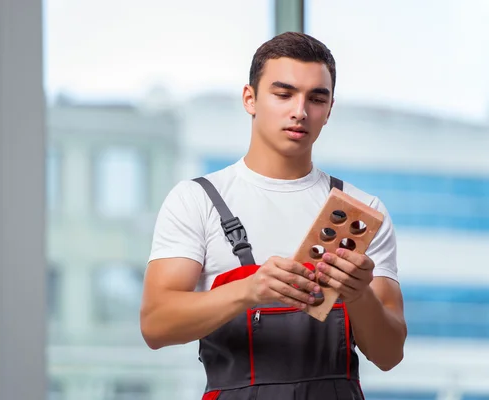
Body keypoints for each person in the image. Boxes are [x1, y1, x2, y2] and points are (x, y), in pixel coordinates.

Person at [140, 31, 407, 400]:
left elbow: (390, 354)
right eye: (283, 94)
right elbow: (155, 325)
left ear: (329, 110)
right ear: (250, 99)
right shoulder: (196, 200)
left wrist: (359, 294)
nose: (300, 111)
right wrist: (249, 290)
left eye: (316, 98)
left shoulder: (362, 212)